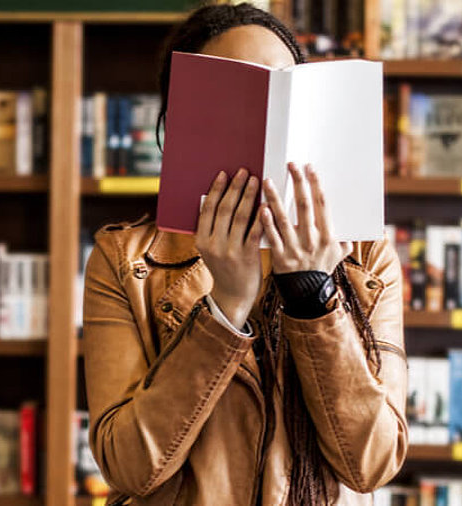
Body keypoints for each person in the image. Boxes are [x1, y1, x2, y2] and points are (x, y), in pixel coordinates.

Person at [82, 4, 407, 506]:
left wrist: (313, 294)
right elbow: (128, 466)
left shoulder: (365, 258)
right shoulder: (125, 260)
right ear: (181, 123)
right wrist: (224, 308)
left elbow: (371, 465)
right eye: (234, 93)